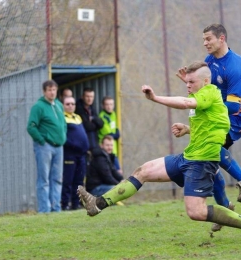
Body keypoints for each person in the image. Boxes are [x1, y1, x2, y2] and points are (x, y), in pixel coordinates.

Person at [77, 61, 241, 231]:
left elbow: (185, 103)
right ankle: (97, 203)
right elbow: (209, 125)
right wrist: (187, 129)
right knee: (143, 171)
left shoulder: (210, 93)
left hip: (202, 162)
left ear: (206, 81)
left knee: (196, 212)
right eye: (187, 82)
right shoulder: (202, 97)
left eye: (192, 82)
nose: (188, 85)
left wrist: (155, 98)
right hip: (189, 157)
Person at [176, 24, 241, 231]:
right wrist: (191, 84)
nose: (205, 43)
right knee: (209, 162)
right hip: (214, 119)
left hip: (232, 120)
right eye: (203, 39)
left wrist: (208, 103)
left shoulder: (234, 67)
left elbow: (233, 105)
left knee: (213, 152)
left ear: (221, 38)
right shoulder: (209, 62)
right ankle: (225, 210)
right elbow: (205, 90)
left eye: (208, 39)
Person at [27, 80, 67, 213]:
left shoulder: (59, 106)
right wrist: (41, 140)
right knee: (44, 179)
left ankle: (56, 208)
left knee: (57, 179)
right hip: (44, 147)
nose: (52, 92)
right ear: (44, 91)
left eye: (54, 89)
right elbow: (31, 127)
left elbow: (63, 124)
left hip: (59, 147)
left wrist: (63, 137)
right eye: (49, 90)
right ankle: (44, 209)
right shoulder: (38, 106)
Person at [61, 96, 89, 211]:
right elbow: (63, 137)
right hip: (70, 154)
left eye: (73, 104)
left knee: (79, 181)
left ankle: (76, 204)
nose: (71, 106)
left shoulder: (78, 117)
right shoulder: (62, 118)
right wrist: (74, 145)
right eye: (68, 104)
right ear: (63, 105)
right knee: (68, 180)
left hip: (81, 155)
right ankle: (65, 204)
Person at [98, 96, 122, 173]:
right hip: (105, 151)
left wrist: (116, 133)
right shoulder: (101, 116)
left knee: (119, 172)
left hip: (113, 150)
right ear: (103, 105)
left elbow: (116, 129)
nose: (109, 106)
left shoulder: (113, 114)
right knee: (112, 173)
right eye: (107, 104)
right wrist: (115, 134)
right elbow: (109, 134)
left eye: (111, 104)